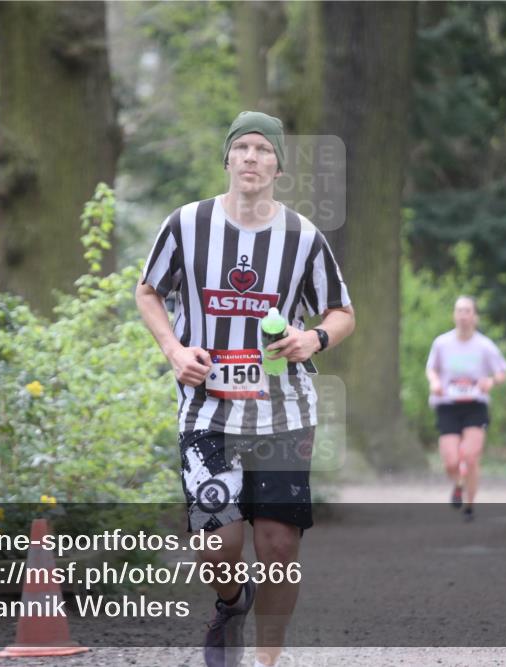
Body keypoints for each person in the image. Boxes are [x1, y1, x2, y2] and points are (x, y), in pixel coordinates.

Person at [135, 110, 354, 667]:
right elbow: (148, 292)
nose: (252, 158)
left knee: (279, 546)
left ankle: (267, 661)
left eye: (264, 149)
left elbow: (343, 311)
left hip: (283, 412)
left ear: (279, 165)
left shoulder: (303, 236)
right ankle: (231, 602)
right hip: (207, 408)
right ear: (228, 158)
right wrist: (175, 352)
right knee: (217, 540)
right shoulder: (186, 224)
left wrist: (315, 339)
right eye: (243, 148)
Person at [425, 296, 506, 522]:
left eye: (467, 311)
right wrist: (434, 383)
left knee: (470, 457)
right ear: (454, 315)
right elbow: (431, 369)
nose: (463, 315)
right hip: (448, 405)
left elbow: (502, 372)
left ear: (475, 316)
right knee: (451, 460)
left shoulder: (484, 345)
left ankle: (470, 505)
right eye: (459, 310)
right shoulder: (442, 343)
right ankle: (458, 484)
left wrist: (491, 382)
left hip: (475, 405)